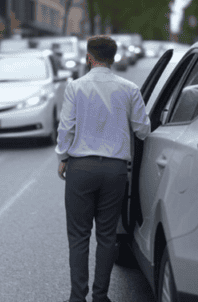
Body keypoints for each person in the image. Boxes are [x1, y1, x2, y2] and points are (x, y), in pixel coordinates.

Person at [55, 35, 151, 302]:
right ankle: (100, 296)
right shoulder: (129, 88)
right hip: (115, 170)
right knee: (107, 236)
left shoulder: (75, 87)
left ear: (89, 57)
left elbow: (66, 128)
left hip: (80, 168)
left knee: (78, 236)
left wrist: (63, 157)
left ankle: (77, 297)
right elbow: (143, 129)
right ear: (113, 57)